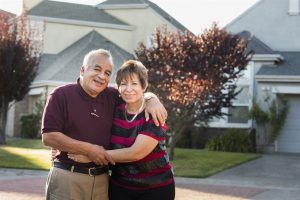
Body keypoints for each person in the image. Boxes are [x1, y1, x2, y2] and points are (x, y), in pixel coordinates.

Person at [42, 49, 167, 200]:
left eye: (107, 73)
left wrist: (152, 99)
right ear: (82, 70)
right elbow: (49, 137)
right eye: (97, 69)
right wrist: (90, 150)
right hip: (68, 177)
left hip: (103, 181)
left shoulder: (113, 97)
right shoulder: (60, 95)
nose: (102, 76)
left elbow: (135, 93)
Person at [68, 60, 175, 200]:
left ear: (144, 86)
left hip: (155, 189)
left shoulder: (152, 113)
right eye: (123, 84)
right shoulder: (115, 109)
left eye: (134, 84)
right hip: (120, 187)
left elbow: (135, 153)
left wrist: (92, 155)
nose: (128, 89)